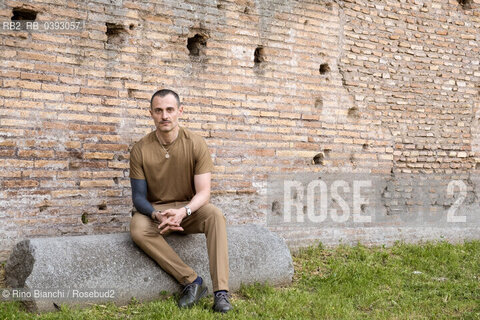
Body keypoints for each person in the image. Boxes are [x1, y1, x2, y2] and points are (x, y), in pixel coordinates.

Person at [128, 89, 233, 313]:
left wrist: (183, 211)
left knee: (215, 215)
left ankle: (221, 294)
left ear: (180, 112)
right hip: (159, 214)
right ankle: (192, 281)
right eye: (158, 111)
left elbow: (204, 193)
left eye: (169, 110)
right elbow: (138, 197)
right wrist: (156, 215)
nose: (164, 116)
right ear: (151, 114)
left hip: (189, 210)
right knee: (137, 227)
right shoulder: (140, 149)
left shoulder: (195, 143)